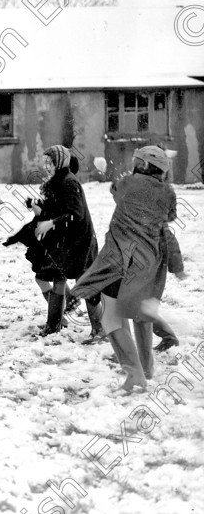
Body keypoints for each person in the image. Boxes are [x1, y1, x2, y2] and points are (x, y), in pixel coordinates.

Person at [72, 146, 178, 392]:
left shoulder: (127, 183)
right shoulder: (168, 192)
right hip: (151, 261)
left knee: (111, 317)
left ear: (140, 163)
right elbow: (169, 217)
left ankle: (134, 375)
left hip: (121, 259)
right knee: (142, 315)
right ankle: (147, 367)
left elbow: (116, 192)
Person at [3, 146, 102, 340]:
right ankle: (54, 326)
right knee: (58, 278)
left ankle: (100, 329)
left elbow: (76, 214)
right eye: (45, 162)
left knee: (84, 283)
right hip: (65, 240)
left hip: (80, 241)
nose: (47, 166)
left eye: (51, 162)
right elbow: (55, 208)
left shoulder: (68, 182)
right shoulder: (55, 182)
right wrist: (38, 208)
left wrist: (51, 223)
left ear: (61, 162)